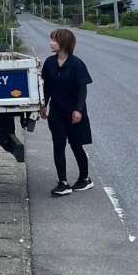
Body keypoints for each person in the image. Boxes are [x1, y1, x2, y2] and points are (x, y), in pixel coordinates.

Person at [41, 27, 94, 196]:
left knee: (76, 145)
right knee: (58, 145)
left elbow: (82, 90)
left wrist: (78, 110)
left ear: (63, 43)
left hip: (74, 112)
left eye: (54, 40)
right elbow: (47, 87)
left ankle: (85, 179)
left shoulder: (76, 64)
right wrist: (44, 105)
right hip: (56, 111)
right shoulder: (49, 63)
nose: (51, 43)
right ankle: (63, 183)